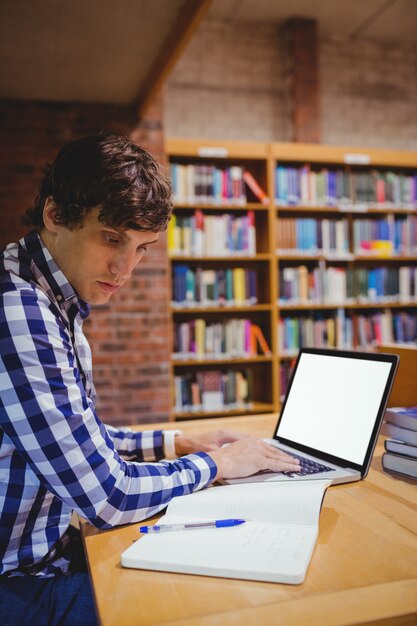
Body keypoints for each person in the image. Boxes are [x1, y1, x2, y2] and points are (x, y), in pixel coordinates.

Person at [0, 132, 299, 626]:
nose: (125, 269)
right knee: (211, 603)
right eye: (111, 238)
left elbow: (76, 439)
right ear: (55, 215)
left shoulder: (45, 294)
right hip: (19, 583)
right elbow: (108, 498)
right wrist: (215, 464)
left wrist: (180, 440)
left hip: (44, 556)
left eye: (142, 248)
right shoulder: (20, 311)